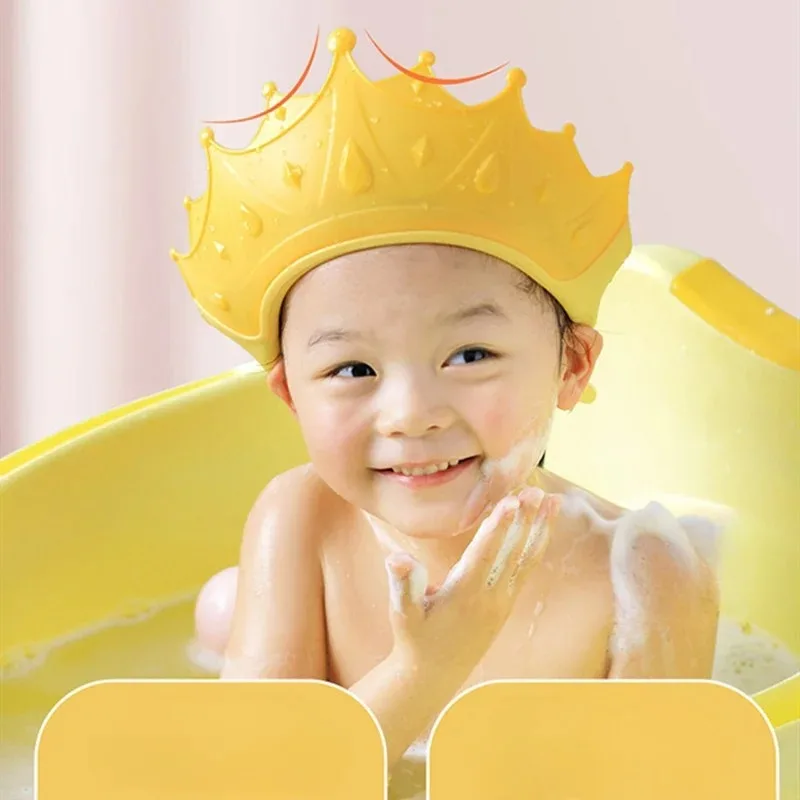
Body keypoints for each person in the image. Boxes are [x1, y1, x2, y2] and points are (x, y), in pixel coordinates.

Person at [171, 27, 721, 780]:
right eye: (352, 367)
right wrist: (429, 666)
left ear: (572, 364)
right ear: (290, 394)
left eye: (469, 356)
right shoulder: (301, 522)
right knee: (225, 615)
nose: (410, 414)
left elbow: (669, 785)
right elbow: (255, 784)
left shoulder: (643, 573)